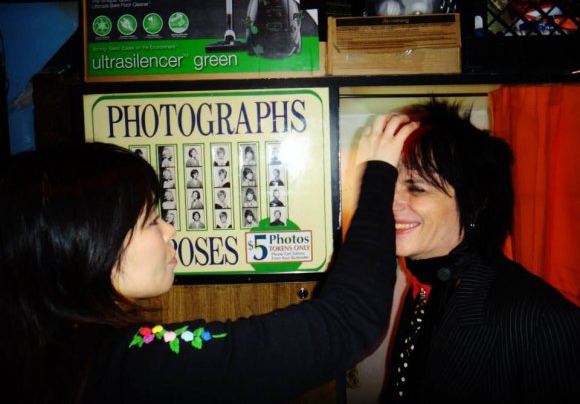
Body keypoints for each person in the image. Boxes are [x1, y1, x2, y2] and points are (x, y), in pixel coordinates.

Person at [0, 119, 415, 403]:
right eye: (150, 220)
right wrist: (378, 176)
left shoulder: (52, 352)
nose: (170, 231)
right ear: (89, 245)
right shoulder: (131, 365)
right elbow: (348, 322)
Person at [373, 99, 579, 403]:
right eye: (389, 184)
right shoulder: (425, 289)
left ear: (474, 204)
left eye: (415, 187)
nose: (390, 204)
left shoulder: (541, 320)